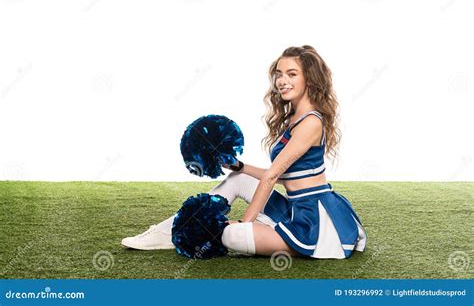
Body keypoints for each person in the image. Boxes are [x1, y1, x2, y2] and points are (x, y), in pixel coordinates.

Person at [121, 45, 367, 259]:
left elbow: (272, 177)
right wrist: (241, 167)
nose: (282, 80)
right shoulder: (295, 117)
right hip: (295, 207)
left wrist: (245, 221)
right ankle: (168, 231)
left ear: (309, 80)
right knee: (238, 179)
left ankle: (191, 231)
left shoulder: (311, 122)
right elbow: (286, 177)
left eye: (292, 74)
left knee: (232, 234)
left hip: (315, 220)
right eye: (279, 74)